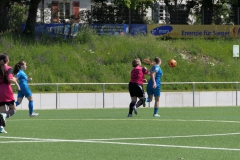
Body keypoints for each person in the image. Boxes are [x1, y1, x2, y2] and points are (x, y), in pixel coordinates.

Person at [0, 53, 20, 133]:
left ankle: (1, 127)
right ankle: (5, 116)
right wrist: (15, 79)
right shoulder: (8, 68)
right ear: (7, 60)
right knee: (13, 109)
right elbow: (9, 79)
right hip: (6, 91)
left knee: (2, 111)